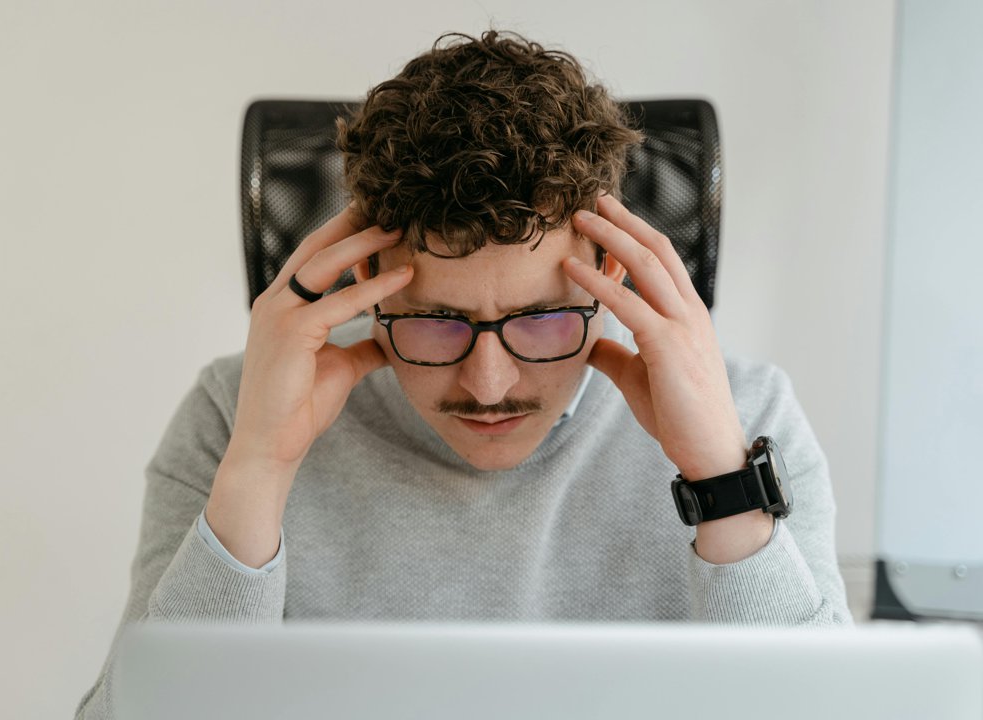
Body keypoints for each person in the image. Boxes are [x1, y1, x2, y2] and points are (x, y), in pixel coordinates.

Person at [76, 30, 850, 718]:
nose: (488, 385)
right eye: (435, 321)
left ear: (610, 270)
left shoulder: (747, 414)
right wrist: (259, 467)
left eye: (542, 319)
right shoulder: (232, 412)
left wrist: (719, 479)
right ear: (368, 274)